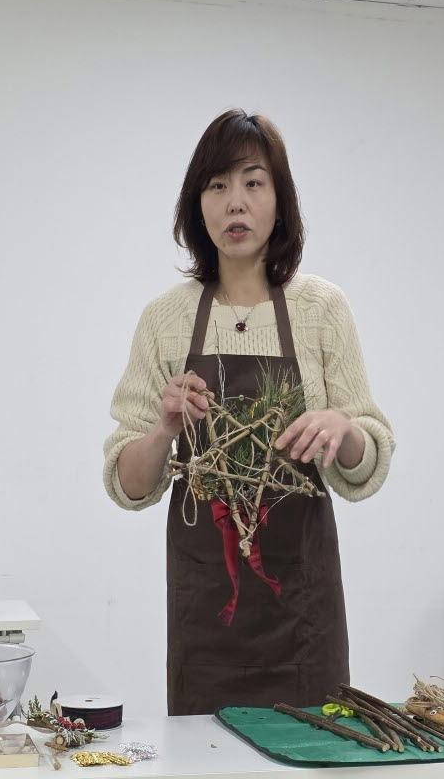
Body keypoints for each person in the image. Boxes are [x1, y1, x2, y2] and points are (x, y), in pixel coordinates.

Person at [104, 109, 394, 715]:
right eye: (218, 185)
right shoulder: (167, 318)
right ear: (197, 205)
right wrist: (164, 428)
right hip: (208, 622)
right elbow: (129, 485)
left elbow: (367, 461)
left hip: (304, 622)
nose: (235, 202)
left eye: (253, 183)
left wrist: (344, 430)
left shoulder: (320, 308)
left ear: (279, 203)